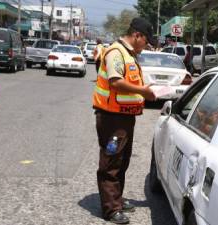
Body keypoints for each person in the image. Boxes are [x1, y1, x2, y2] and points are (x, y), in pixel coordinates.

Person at [92, 17, 156, 224]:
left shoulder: (128, 54)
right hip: (112, 118)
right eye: (146, 41)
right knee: (111, 162)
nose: (146, 46)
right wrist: (144, 92)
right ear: (137, 35)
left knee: (122, 160)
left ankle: (117, 199)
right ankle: (111, 209)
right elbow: (116, 81)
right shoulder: (116, 53)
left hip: (124, 117)